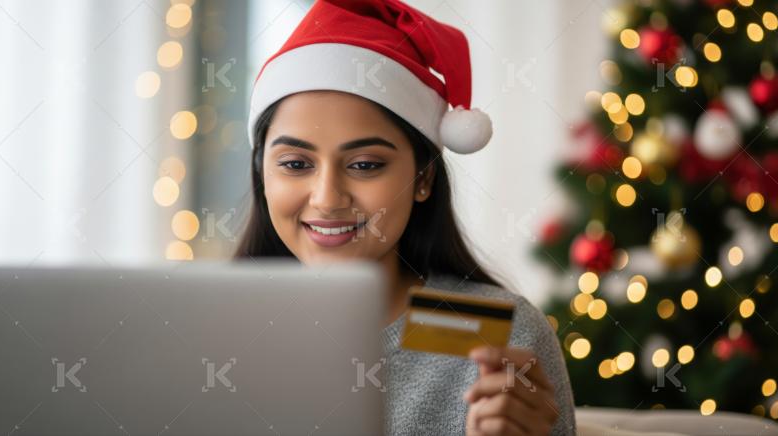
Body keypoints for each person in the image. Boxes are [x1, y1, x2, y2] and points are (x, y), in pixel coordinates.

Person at [235, 0, 576, 434]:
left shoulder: (497, 335)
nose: (327, 199)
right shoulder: (214, 338)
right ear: (262, 174)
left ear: (423, 178)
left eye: (364, 164)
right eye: (296, 164)